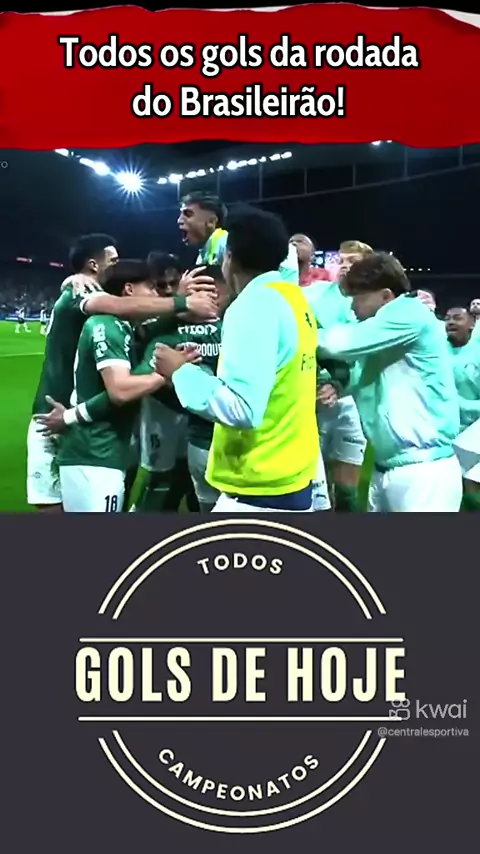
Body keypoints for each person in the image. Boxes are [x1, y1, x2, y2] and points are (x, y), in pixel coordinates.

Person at [27, 233, 218, 513]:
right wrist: (182, 303)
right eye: (113, 260)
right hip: (55, 413)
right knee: (53, 507)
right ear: (93, 265)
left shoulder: (116, 319)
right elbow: (119, 306)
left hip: (87, 424)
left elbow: (144, 325)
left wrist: (178, 305)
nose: (119, 265)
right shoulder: (83, 294)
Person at [155, 204, 320, 512]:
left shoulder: (253, 305)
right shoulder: (294, 299)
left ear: (229, 258)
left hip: (259, 481)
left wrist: (180, 372)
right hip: (289, 473)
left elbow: (242, 408)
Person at [317, 252, 462, 512]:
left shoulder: (409, 313)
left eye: (358, 298)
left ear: (385, 296)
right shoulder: (384, 329)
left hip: (424, 473)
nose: (352, 308)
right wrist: (339, 384)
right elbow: (364, 371)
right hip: (386, 468)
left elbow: (338, 344)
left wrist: (295, 330)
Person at [57, 260, 171, 512]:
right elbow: (120, 390)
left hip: (95, 452)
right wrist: (165, 375)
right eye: (151, 288)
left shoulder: (123, 326)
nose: (156, 296)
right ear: (129, 289)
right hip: (95, 455)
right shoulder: (108, 325)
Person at [303, 240, 371, 512]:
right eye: (341, 260)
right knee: (314, 490)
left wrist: (343, 384)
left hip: (353, 400)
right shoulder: (313, 295)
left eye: (352, 262)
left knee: (346, 491)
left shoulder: (371, 304)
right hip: (313, 398)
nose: (344, 266)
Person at [178, 190, 299, 284]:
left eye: (188, 214)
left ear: (211, 221)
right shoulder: (204, 253)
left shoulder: (225, 241)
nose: (179, 220)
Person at [446, 306, 480, 511]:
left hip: (475, 431)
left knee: (471, 487)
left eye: (457, 318)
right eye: (447, 318)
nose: (450, 322)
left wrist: (461, 405)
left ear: (472, 324)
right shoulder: (436, 351)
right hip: (446, 432)